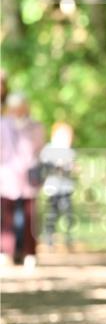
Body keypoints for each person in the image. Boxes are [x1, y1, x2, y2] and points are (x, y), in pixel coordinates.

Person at [0, 92, 45, 269]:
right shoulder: (2, 125)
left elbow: (39, 149)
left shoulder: (35, 125)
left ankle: (29, 253)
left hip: (28, 178)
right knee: (7, 218)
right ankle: (6, 253)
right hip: (7, 177)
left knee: (29, 217)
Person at [40, 122, 76, 250]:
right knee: (51, 214)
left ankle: (68, 238)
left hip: (66, 188)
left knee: (68, 214)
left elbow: (71, 168)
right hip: (52, 188)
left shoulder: (70, 151)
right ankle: (49, 239)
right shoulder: (48, 149)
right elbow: (44, 167)